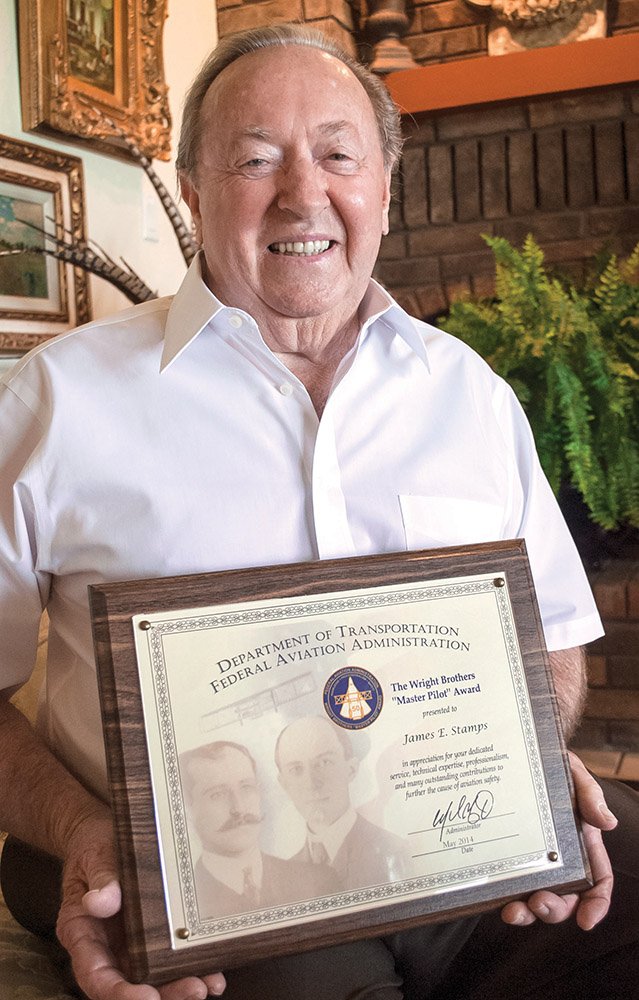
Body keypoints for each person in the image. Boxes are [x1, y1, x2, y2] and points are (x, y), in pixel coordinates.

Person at [0, 21, 636, 1000]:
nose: (305, 193)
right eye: (257, 160)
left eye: (339, 156)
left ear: (385, 184)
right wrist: (85, 832)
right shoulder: (58, 401)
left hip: (458, 856)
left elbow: (551, 640)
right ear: (194, 188)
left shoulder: (469, 393)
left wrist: (532, 764)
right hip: (210, 883)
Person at [181, 740, 337, 919]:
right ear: (188, 811)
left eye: (246, 788)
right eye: (217, 795)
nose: (239, 808)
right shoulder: (184, 903)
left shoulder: (319, 881)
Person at [275, 716, 411, 888]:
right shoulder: (284, 878)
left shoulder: (395, 852)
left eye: (324, 763)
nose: (311, 783)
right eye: (296, 769)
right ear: (284, 784)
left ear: (351, 769)